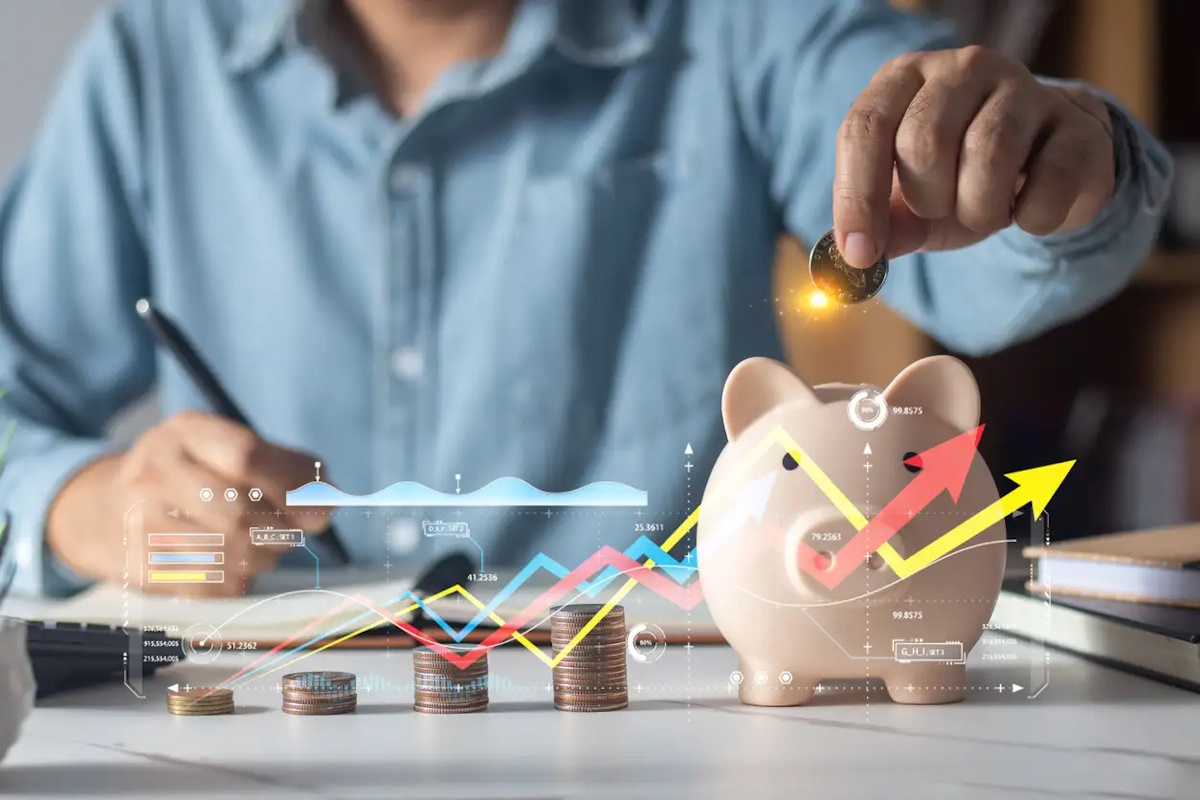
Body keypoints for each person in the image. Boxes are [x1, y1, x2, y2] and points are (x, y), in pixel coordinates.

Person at [0, 0, 1171, 598]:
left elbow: (979, 255)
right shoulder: (155, 54)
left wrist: (1049, 166)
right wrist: (80, 503)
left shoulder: (733, 25)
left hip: (681, 722)